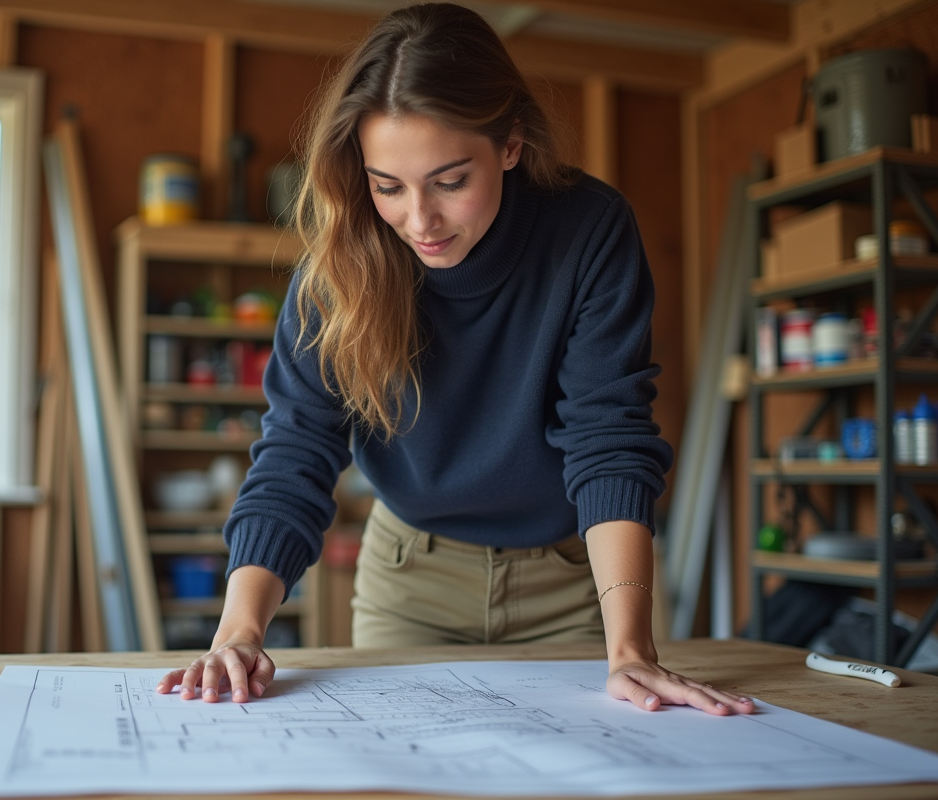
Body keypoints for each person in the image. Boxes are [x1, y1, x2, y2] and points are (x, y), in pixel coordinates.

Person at [156, 2, 754, 717]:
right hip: (411, 580)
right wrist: (239, 631)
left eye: (449, 181)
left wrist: (631, 650)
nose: (420, 221)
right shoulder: (337, 268)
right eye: (388, 186)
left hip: (571, 583)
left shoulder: (589, 231)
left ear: (510, 142)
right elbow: (295, 452)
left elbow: (609, 438)